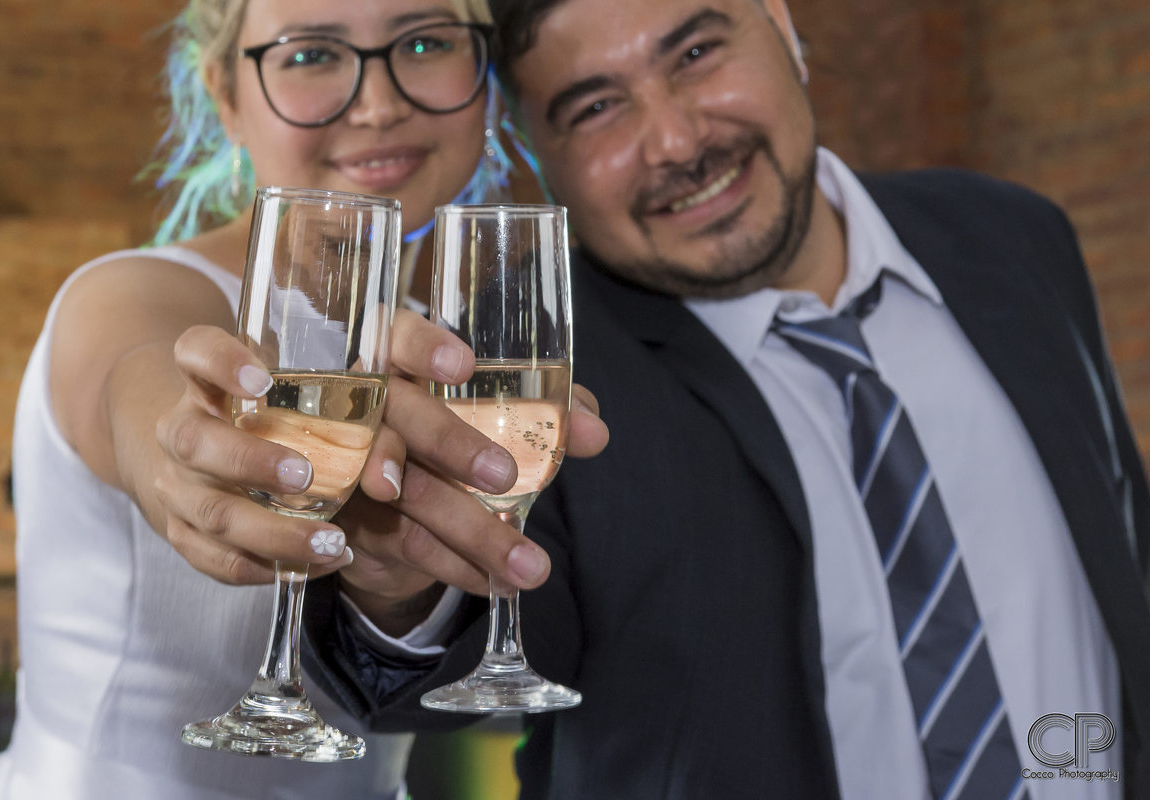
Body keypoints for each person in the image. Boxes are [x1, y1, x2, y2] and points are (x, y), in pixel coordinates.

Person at [291, 0, 1150, 798]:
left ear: (780, 22)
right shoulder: (520, 363)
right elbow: (443, 671)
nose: (672, 141)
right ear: (534, 156)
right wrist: (393, 585)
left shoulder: (1013, 236)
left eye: (697, 53)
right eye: (594, 109)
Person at [0, 0, 609, 797]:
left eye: (427, 41)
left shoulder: (454, 339)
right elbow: (144, 391)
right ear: (225, 96)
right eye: (310, 55)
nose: (378, 104)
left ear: (486, 82)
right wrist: (193, 452)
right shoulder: (126, 293)